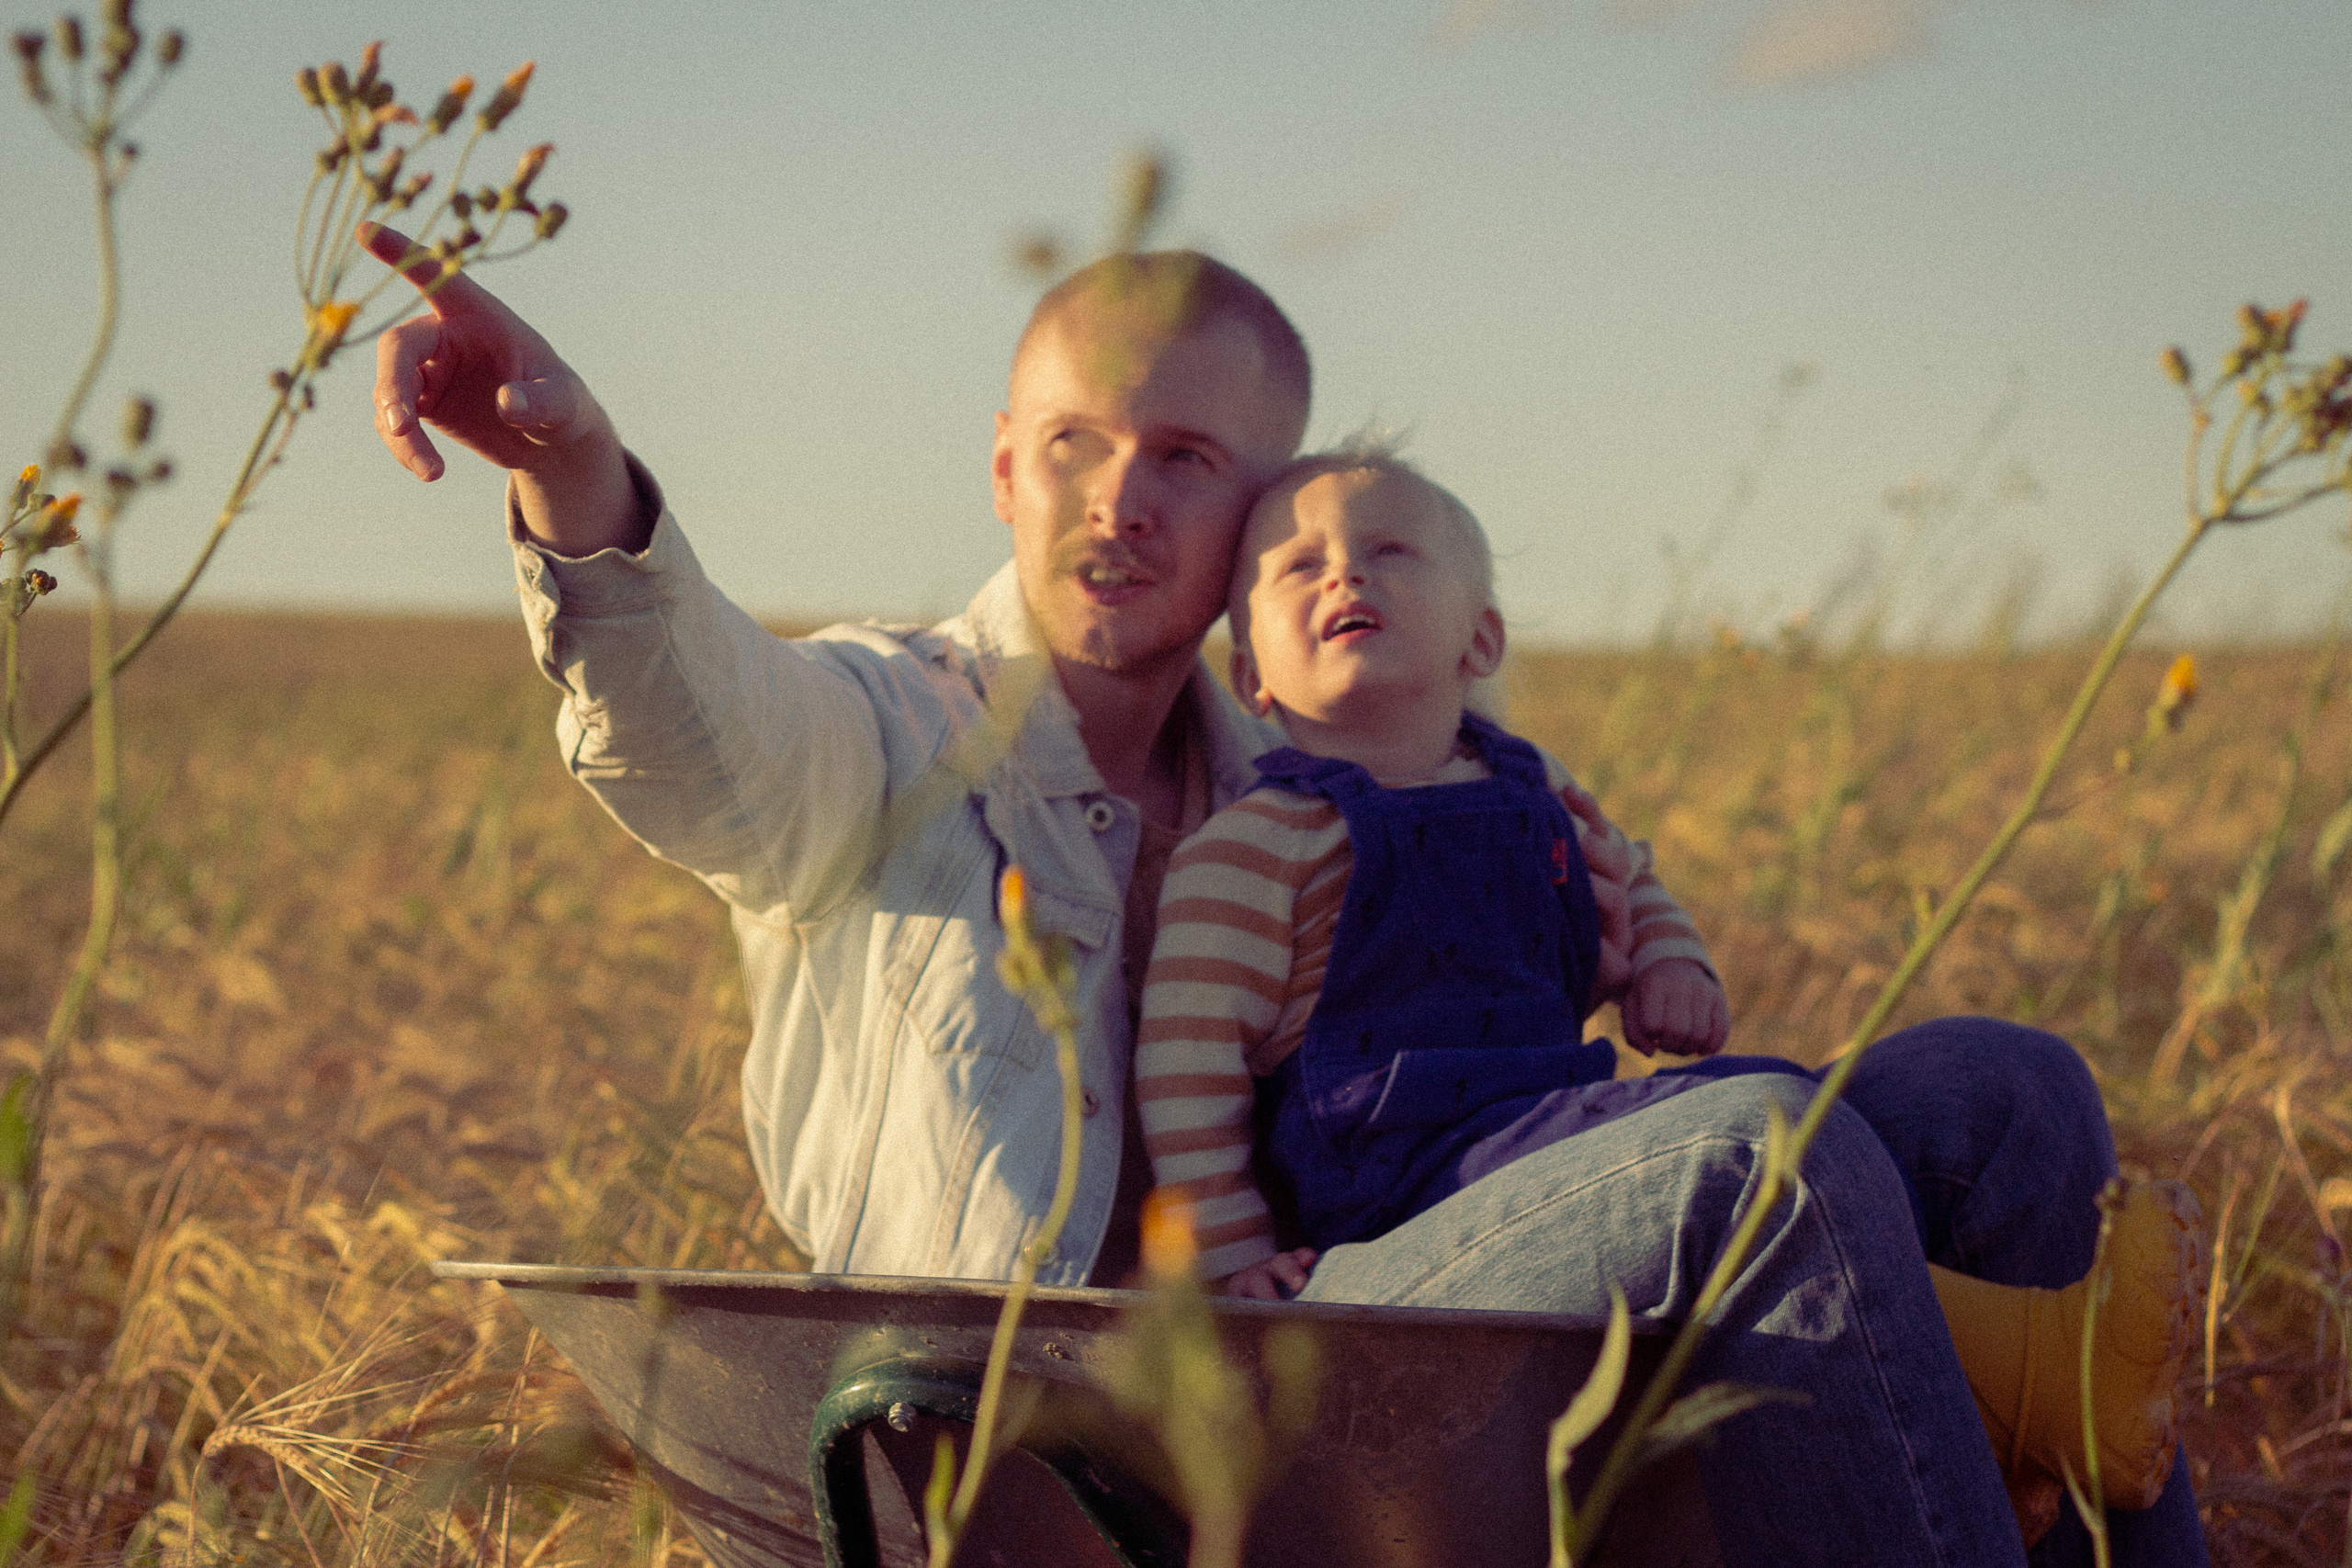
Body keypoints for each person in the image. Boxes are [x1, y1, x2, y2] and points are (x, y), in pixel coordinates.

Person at [358, 222, 2210, 1564]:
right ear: (1004, 469)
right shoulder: (892, 726)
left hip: (1369, 1308)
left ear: (1259, 523)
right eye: (1075, 443)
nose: (1119, 498)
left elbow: (1521, 938)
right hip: (1090, 1399)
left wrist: (1644, 967)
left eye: (1185, 459)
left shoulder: (1314, 786)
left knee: (1997, 1090)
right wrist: (581, 486)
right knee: (1754, 1163)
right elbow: (704, 745)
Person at [1134, 448, 2205, 1544]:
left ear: (1482, 639)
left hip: (1549, 1138)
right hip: (1401, 1205)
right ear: (1250, 677)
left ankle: (2058, 1407)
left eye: (1387, 551)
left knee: (2008, 1078)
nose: (1342, 576)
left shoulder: (1539, 792)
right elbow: (1186, 1058)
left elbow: (1635, 883)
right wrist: (1227, 1253)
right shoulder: (1253, 848)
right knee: (1766, 1140)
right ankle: (2020, 1380)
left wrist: (1666, 968)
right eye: (1297, 565)